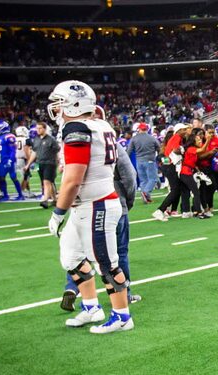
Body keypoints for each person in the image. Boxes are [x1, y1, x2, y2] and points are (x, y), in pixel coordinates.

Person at [46, 80, 133, 334]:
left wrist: (58, 211)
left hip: (98, 206)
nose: (57, 109)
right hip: (88, 205)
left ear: (74, 104)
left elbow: (73, 179)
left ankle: (122, 316)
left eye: (60, 103)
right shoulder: (99, 123)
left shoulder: (77, 127)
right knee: (71, 258)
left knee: (106, 263)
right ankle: (91, 307)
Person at [62, 139, 141, 311]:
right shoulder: (111, 143)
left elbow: (69, 179)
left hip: (82, 208)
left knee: (78, 254)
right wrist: (127, 202)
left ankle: (72, 288)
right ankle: (124, 296)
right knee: (118, 253)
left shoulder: (76, 143)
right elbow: (130, 176)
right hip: (111, 204)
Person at [27, 122, 60, 209]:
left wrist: (59, 163)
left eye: (40, 128)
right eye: (37, 128)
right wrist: (28, 164)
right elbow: (34, 152)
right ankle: (54, 199)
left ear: (45, 129)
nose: (38, 130)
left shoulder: (51, 139)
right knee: (47, 182)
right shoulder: (36, 139)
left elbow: (57, 151)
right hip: (39, 163)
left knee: (46, 181)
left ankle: (45, 200)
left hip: (49, 163)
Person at [128, 122, 161, 203]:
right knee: (153, 179)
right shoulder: (151, 138)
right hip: (150, 160)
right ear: (146, 129)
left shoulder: (134, 139)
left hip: (139, 161)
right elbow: (159, 148)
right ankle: (146, 192)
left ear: (139, 129)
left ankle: (146, 198)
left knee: (143, 180)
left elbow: (128, 151)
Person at [0, 121, 24, 200]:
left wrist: (11, 160)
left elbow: (13, 149)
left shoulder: (9, 136)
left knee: (13, 177)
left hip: (9, 160)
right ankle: (5, 195)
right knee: (1, 178)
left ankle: (21, 195)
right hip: (2, 160)